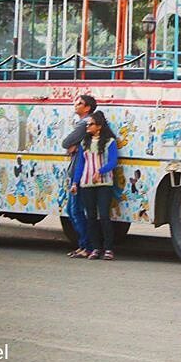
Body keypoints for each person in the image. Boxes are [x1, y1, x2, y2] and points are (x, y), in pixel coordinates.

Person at [71, 110, 118, 260]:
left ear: (99, 126)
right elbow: (80, 165)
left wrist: (101, 171)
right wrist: (75, 183)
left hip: (104, 183)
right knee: (90, 217)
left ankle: (109, 248)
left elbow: (113, 161)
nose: (87, 127)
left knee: (104, 216)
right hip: (87, 184)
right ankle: (96, 247)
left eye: (90, 124)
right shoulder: (85, 143)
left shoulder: (110, 142)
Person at [61, 94, 97, 258]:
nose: (76, 105)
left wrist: (72, 145)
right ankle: (83, 245)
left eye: (80, 103)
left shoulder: (84, 124)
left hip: (79, 174)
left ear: (88, 108)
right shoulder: (87, 124)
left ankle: (86, 246)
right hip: (78, 172)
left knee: (75, 210)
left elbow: (66, 142)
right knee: (73, 210)